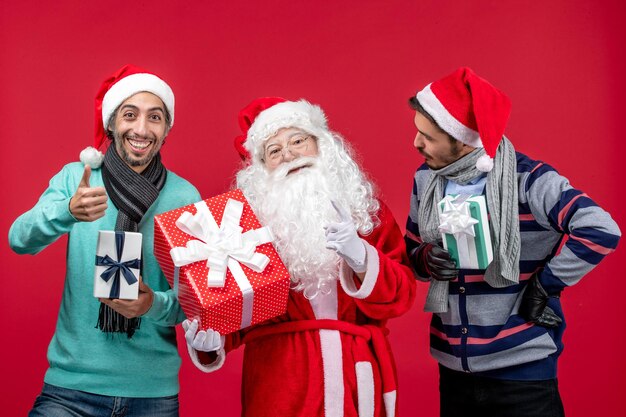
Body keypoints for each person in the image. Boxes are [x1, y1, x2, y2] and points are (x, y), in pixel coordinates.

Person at [404, 67, 621, 417]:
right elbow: (410, 252)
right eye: (418, 132)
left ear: (462, 139)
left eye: (427, 137)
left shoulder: (530, 181)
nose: (416, 144)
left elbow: (600, 229)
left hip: (523, 374)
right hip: (454, 371)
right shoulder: (426, 180)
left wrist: (545, 286)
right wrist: (426, 257)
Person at [182, 97, 416, 417]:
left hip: (355, 378)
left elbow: (402, 296)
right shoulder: (246, 229)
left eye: (297, 141)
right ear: (262, 167)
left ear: (322, 145)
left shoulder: (365, 211)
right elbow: (236, 314)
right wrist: (212, 341)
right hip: (280, 383)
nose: (289, 154)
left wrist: (360, 256)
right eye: (274, 151)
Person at [9, 64, 200, 417]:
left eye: (155, 117)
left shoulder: (184, 197)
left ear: (167, 128)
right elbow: (19, 239)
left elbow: (195, 300)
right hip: (71, 388)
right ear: (112, 122)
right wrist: (67, 211)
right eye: (130, 115)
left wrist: (152, 304)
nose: (141, 129)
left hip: (152, 394)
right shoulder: (78, 178)